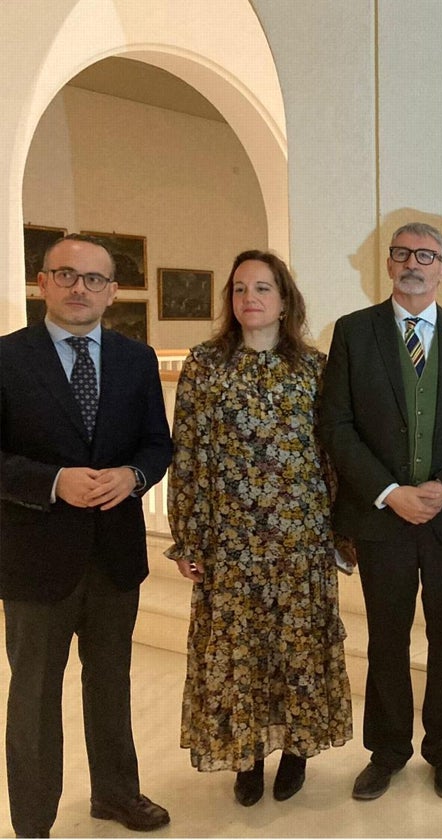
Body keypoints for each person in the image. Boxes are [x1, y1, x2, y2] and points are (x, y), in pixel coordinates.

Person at [0, 233, 173, 836]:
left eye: (94, 278)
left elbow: (158, 444)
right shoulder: (6, 357)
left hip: (115, 555)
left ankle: (117, 795)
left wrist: (134, 475)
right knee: (34, 698)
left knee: (110, 683)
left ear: (112, 291)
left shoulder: (136, 358)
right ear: (41, 282)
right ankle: (32, 822)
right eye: (66, 274)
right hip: (34, 559)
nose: (80, 287)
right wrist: (53, 482)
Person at [167, 250, 353, 806]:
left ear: (284, 299)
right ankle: (246, 757)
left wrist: (341, 536)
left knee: (298, 649)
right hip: (231, 542)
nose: (250, 298)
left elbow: (331, 457)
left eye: (263, 288)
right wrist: (188, 536)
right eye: (240, 288)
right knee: (238, 653)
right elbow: (190, 454)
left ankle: (296, 749)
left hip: (301, 539)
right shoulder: (204, 364)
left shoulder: (315, 367)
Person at [319, 222, 442, 802]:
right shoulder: (353, 332)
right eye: (402, 254)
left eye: (427, 256)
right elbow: (336, 425)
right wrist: (390, 492)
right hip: (380, 517)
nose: (413, 264)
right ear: (388, 265)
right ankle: (387, 750)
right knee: (387, 638)